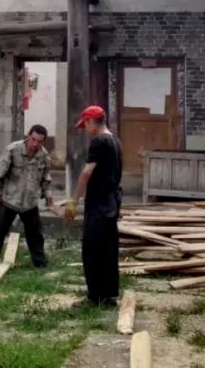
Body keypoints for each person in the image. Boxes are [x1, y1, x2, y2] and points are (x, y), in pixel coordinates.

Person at [64, 106, 122, 306]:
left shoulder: (99, 141)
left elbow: (86, 172)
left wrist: (74, 200)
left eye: (85, 125)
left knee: (92, 248)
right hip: (112, 201)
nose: (85, 130)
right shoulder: (116, 141)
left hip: (98, 203)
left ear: (91, 121)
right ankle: (109, 294)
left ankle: (95, 296)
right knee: (108, 248)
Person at [0, 125, 54, 269]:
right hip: (9, 199)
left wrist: (47, 195)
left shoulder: (44, 156)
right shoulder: (12, 150)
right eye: (33, 139)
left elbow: (45, 178)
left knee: (35, 234)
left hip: (29, 202)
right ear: (28, 136)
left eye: (40, 141)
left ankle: (40, 263)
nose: (35, 144)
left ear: (43, 141)